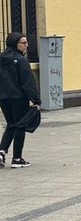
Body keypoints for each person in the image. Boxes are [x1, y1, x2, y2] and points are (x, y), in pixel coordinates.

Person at [0, 32, 41, 168]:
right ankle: (17, 158)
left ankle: (1, 151)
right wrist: (36, 100)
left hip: (3, 98)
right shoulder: (21, 61)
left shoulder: (2, 59)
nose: (26, 46)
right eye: (23, 43)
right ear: (15, 44)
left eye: (26, 43)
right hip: (18, 98)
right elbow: (27, 82)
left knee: (12, 124)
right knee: (20, 125)